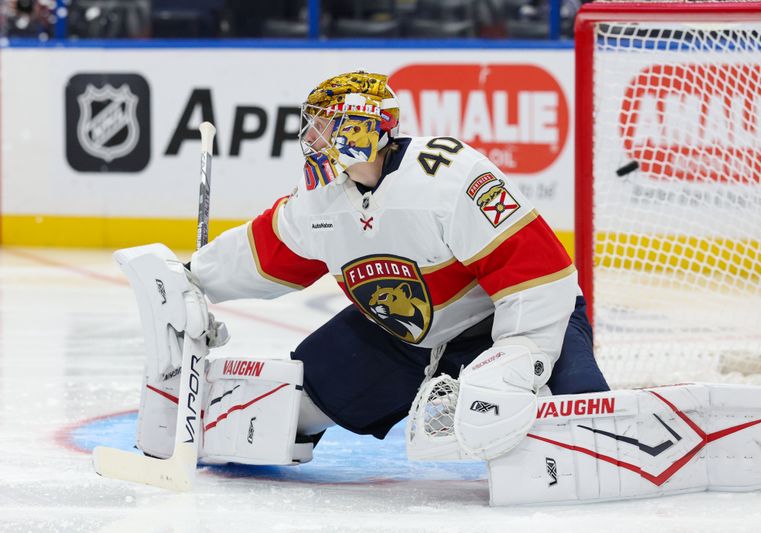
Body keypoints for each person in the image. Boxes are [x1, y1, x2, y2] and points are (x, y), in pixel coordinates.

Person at [133, 70, 609, 466]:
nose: (312, 137)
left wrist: (523, 352)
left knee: (578, 424)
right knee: (287, 408)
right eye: (313, 125)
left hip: (504, 326)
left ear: (365, 125)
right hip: (403, 339)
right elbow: (263, 253)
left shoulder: (449, 176)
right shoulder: (319, 200)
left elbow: (536, 272)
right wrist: (193, 278)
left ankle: (567, 405)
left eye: (327, 124)